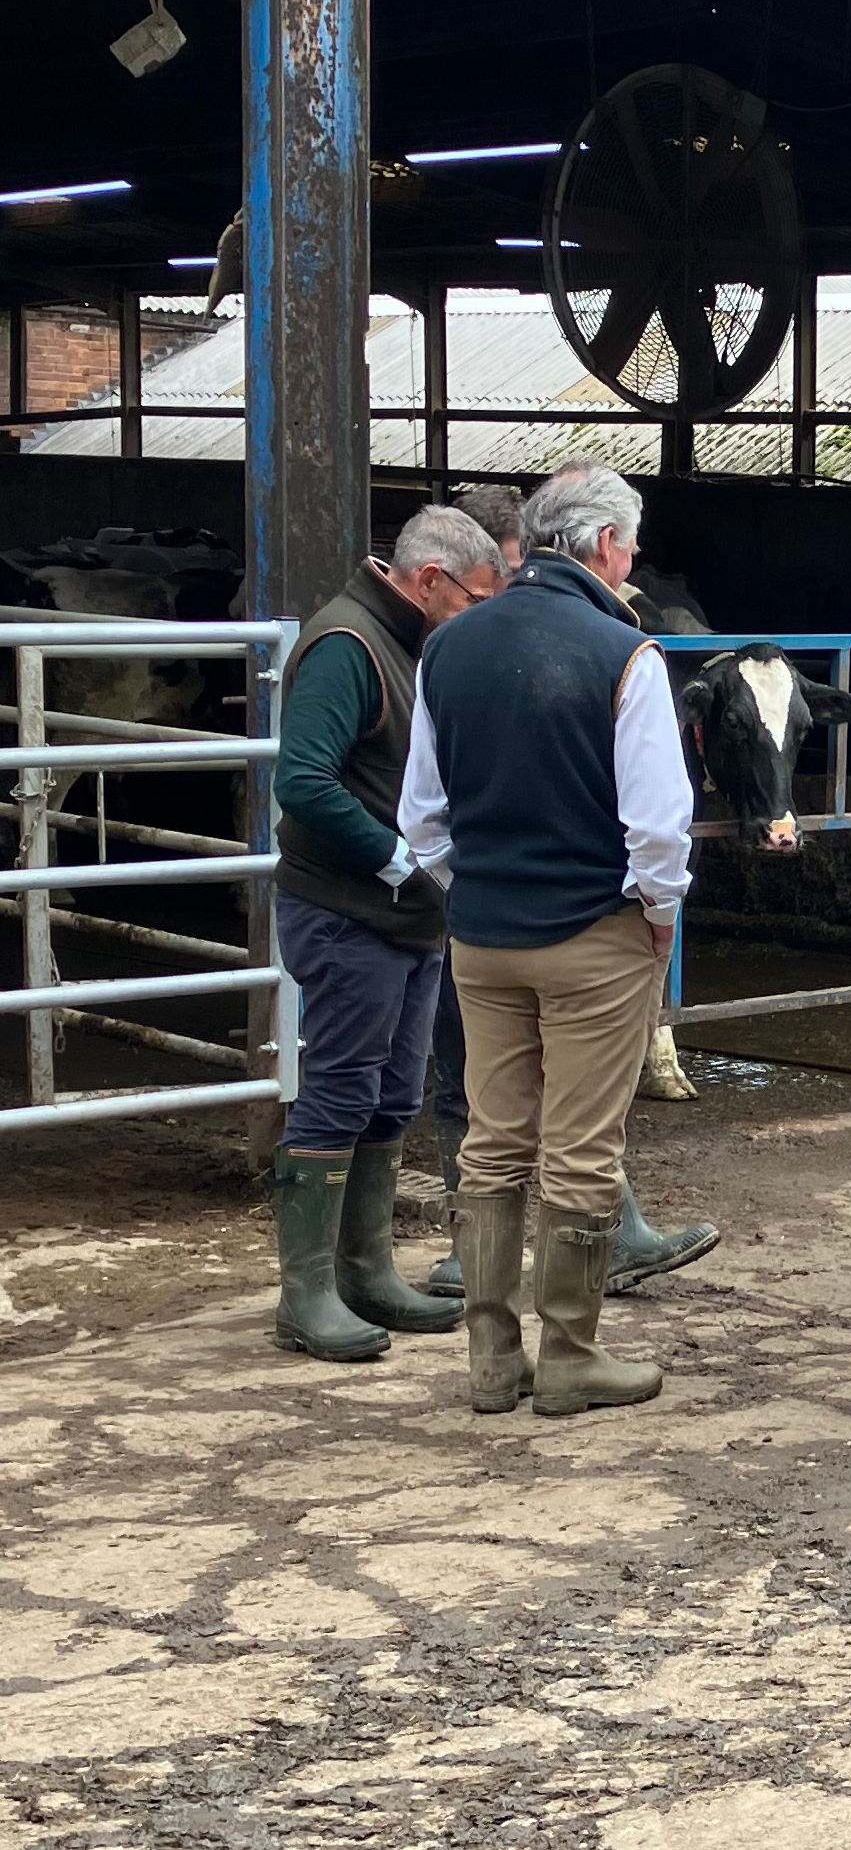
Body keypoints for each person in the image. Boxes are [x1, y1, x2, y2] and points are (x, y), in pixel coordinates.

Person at [398, 463, 693, 1417]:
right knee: (580, 1150)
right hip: (593, 936)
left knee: (492, 1141)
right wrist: (655, 915)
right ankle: (569, 1354)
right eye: (632, 546)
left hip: (480, 939)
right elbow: (657, 828)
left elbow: (423, 820)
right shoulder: (626, 655)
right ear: (607, 545)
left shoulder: (447, 649)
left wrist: (472, 891)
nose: (633, 562)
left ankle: (490, 1358)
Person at [262, 509, 504, 1360]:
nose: (482, 614)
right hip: (349, 909)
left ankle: (364, 1269)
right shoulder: (348, 644)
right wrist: (399, 858)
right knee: (338, 1086)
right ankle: (307, 1292)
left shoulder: (408, 643)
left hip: (407, 919)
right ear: (430, 578)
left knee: (394, 1091)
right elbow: (304, 780)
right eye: (477, 597)